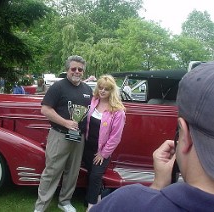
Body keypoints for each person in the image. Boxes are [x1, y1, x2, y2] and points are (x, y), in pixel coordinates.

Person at [90, 62, 214, 211]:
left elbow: (115, 136)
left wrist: (156, 186)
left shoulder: (125, 202)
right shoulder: (94, 103)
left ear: (184, 134)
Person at [34, 55, 93, 212]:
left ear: (83, 71)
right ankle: (41, 206)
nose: (77, 72)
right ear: (67, 69)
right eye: (73, 68)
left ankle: (64, 202)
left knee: (73, 172)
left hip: (78, 137)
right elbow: (45, 109)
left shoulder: (87, 90)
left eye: (80, 69)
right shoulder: (58, 87)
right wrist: (66, 122)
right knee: (52, 171)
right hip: (59, 134)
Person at [83, 75, 126, 212]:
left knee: (95, 176)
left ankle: (91, 206)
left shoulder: (118, 111)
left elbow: (115, 137)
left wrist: (103, 153)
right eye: (100, 88)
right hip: (88, 147)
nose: (102, 91)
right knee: (91, 175)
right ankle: (100, 197)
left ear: (111, 91)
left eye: (106, 89)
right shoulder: (93, 101)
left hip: (102, 151)